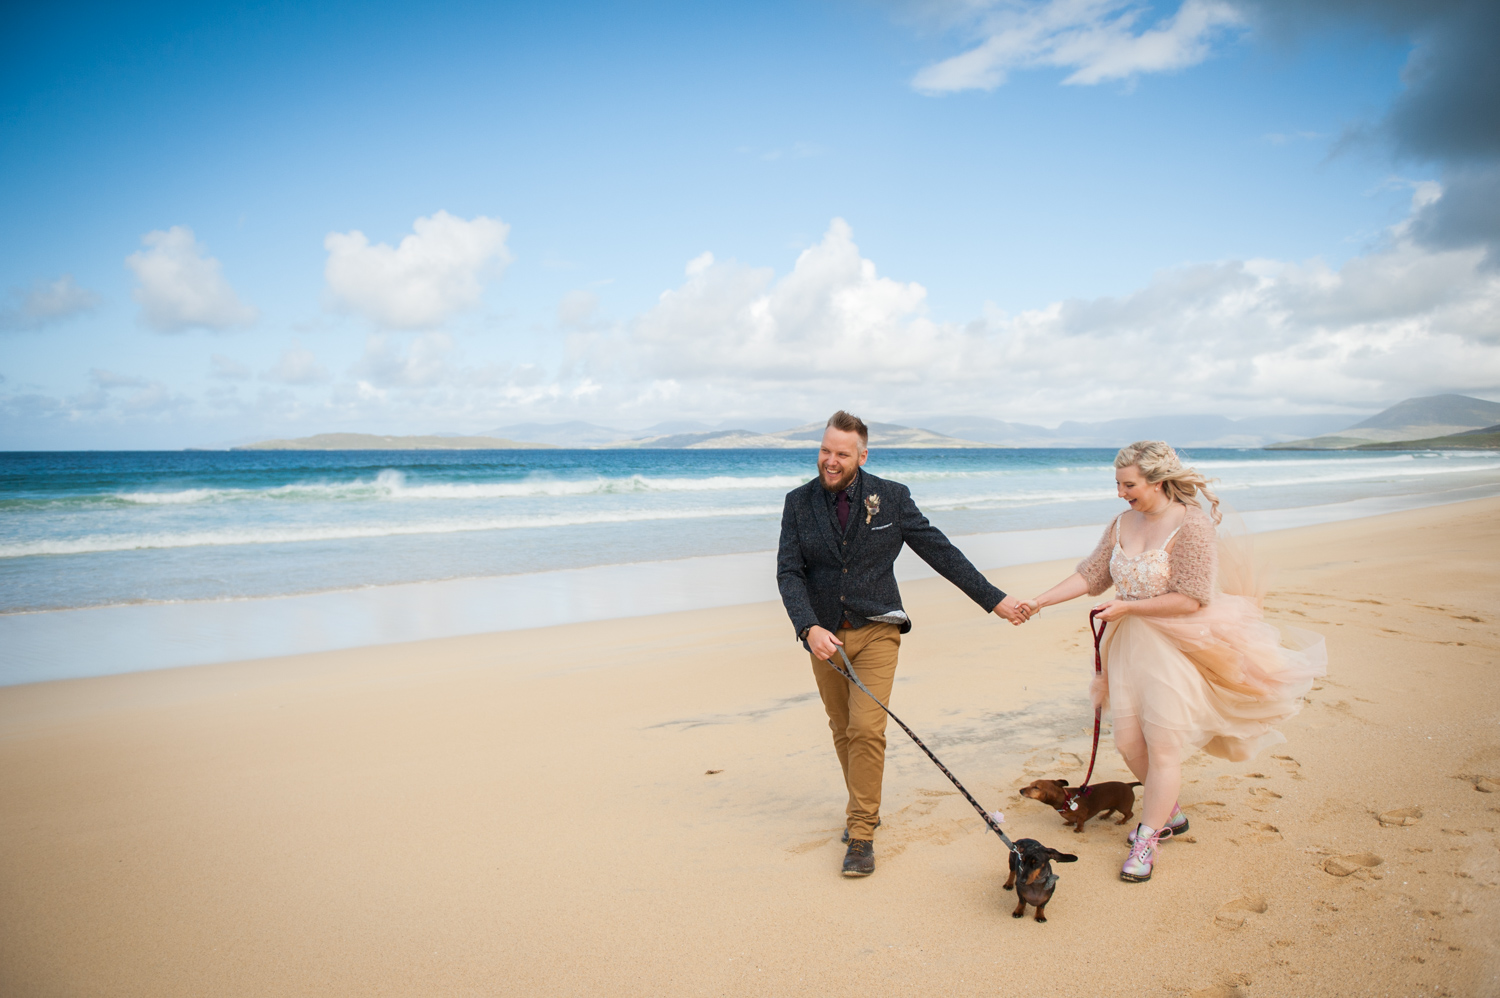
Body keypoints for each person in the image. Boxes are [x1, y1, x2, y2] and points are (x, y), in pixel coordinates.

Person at [1022, 441, 1324, 882]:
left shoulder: (1191, 524)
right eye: (1118, 485)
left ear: (1157, 482)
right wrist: (1040, 601)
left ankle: (1147, 841)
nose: (1121, 493)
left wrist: (1128, 607)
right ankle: (1170, 812)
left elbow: (1192, 597)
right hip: (1128, 647)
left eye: (1129, 485)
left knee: (1163, 746)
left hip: (1176, 645)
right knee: (1128, 744)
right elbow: (1092, 574)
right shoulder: (1122, 521)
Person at [777, 410, 1030, 877]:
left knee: (867, 730)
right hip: (825, 637)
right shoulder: (797, 503)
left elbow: (939, 550)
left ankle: (861, 833)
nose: (830, 461)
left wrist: (994, 599)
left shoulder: (891, 498)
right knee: (843, 729)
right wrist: (807, 626)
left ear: (862, 455)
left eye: (841, 454)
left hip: (878, 630)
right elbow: (789, 572)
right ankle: (863, 807)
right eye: (825, 450)